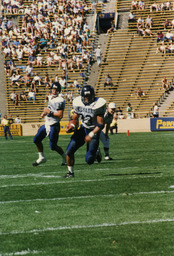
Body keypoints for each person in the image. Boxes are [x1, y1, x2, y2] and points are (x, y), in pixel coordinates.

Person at [64, 85, 106, 178]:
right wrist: (71, 125)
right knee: (69, 150)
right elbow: (75, 116)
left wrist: (91, 135)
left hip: (93, 130)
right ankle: (70, 173)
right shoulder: (78, 102)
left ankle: (96, 152)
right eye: (85, 97)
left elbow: (101, 124)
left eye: (89, 97)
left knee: (89, 160)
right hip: (83, 128)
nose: (87, 99)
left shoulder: (98, 104)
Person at [32, 82, 66, 166]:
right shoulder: (51, 97)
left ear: (59, 90)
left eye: (56, 89)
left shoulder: (60, 100)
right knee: (36, 140)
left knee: (53, 146)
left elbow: (60, 115)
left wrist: (49, 112)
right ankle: (41, 157)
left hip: (54, 125)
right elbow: (50, 108)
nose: (54, 91)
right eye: (53, 89)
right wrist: (45, 113)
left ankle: (65, 157)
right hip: (47, 124)